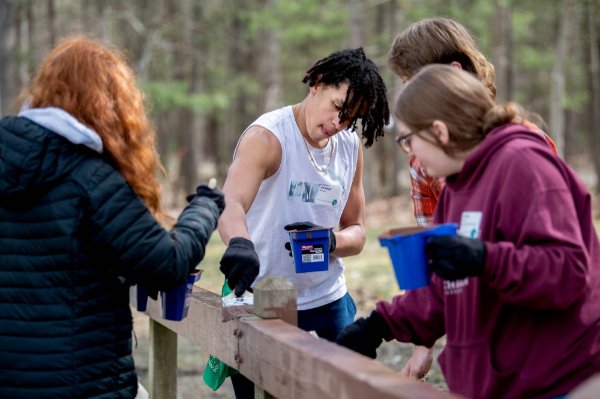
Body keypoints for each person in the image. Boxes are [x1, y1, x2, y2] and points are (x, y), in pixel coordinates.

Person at [336, 64, 600, 399]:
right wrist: (380, 326)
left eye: (409, 139)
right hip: (501, 383)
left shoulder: (523, 163)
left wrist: (486, 259)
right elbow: (445, 288)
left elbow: (568, 270)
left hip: (558, 379)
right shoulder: (458, 188)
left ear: (439, 131)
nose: (410, 152)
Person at [0, 37, 225, 399]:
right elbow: (166, 264)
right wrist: (206, 207)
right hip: (83, 385)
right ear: (106, 103)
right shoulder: (89, 178)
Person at [386, 17, 559, 380]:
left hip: (531, 351)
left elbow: (558, 267)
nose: (409, 98)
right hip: (477, 350)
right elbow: (434, 258)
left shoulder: (526, 154)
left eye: (414, 83)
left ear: (454, 72)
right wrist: (423, 340)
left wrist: (484, 258)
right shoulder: (423, 158)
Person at [217, 47, 390, 398]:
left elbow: (357, 231)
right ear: (317, 84)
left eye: (349, 118)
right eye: (338, 108)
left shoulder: (349, 147)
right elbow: (231, 202)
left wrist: (330, 242)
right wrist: (239, 243)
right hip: (262, 300)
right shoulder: (268, 138)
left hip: (328, 303)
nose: (338, 124)